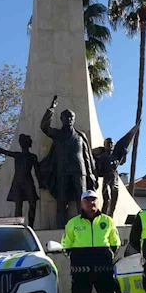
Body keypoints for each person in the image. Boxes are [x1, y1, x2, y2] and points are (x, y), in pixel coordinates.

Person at [61, 190, 124, 293]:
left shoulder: (108, 221)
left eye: (94, 200)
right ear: (82, 204)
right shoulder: (73, 223)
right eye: (87, 200)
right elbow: (66, 246)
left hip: (103, 273)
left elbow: (115, 244)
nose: (91, 203)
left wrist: (105, 259)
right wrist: (79, 261)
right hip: (81, 274)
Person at [39, 95, 97, 228]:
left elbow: (87, 156)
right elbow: (44, 127)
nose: (69, 119)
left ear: (74, 119)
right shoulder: (58, 134)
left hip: (79, 171)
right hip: (62, 171)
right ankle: (61, 226)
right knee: (62, 201)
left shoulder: (80, 135)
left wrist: (90, 173)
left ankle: (85, 225)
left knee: (81, 199)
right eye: (66, 117)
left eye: (71, 117)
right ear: (62, 119)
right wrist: (51, 109)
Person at [0, 134, 41, 226]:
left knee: (32, 203)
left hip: (28, 182)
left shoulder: (32, 157)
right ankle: (18, 226)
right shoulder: (17, 155)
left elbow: (37, 172)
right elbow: (1, 151)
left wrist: (40, 183)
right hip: (18, 182)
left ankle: (31, 226)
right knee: (18, 205)